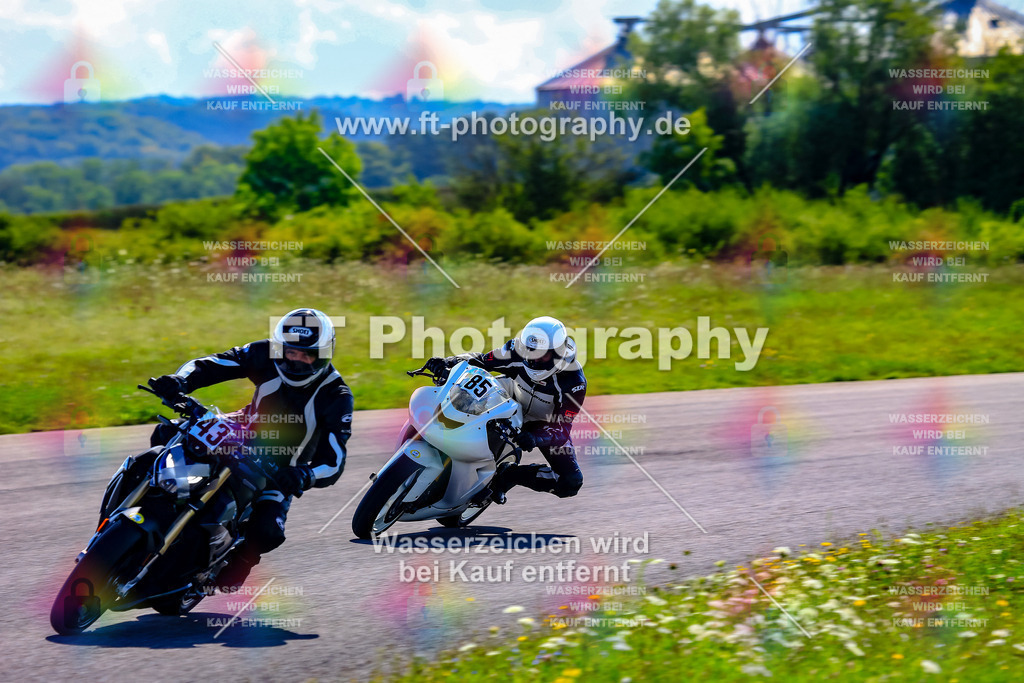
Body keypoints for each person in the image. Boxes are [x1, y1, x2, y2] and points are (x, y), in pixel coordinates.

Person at [106, 308, 353, 589]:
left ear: (324, 355)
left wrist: (304, 476)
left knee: (267, 530)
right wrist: (180, 381)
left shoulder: (337, 395)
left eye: (307, 355)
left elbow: (334, 459)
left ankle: (241, 561)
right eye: (290, 353)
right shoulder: (263, 353)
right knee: (165, 433)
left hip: (280, 468)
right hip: (240, 429)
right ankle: (140, 506)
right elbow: (217, 362)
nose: (296, 362)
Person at [424, 316, 586, 503]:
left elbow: (562, 429)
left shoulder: (574, 382)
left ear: (558, 353)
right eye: (529, 350)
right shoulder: (514, 350)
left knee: (570, 482)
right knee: (460, 395)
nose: (533, 358)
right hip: (506, 397)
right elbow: (482, 360)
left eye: (541, 354)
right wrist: (448, 362)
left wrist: (537, 438)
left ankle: (509, 475)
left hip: (542, 424)